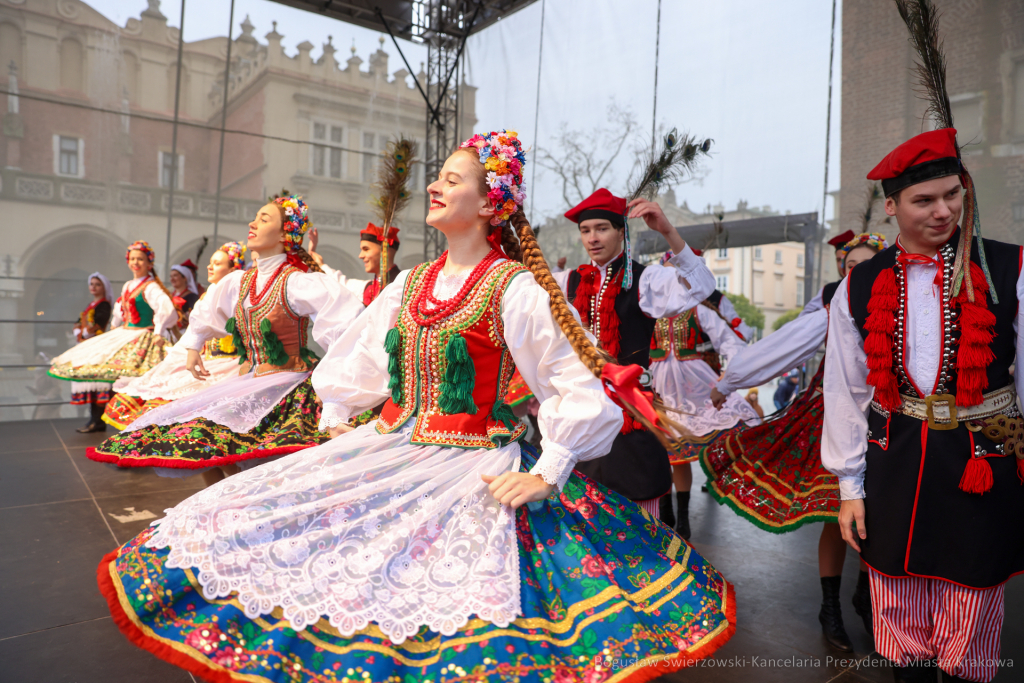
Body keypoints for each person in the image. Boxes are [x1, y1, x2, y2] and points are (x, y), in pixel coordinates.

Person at [96, 131, 736, 682]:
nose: (435, 187)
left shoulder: (514, 289)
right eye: (436, 177)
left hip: (469, 465)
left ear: (489, 203)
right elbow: (357, 364)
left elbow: (575, 386)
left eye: (450, 179)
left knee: (437, 617)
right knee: (247, 528)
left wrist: (550, 469)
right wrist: (339, 422)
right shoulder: (412, 282)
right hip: (392, 445)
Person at [824, 126, 1023, 683]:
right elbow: (846, 391)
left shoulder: (1010, 267)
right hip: (896, 460)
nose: (944, 211)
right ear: (891, 206)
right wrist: (849, 488)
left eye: (953, 195)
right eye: (924, 200)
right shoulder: (858, 285)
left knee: (973, 600)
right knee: (896, 603)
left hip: (980, 458)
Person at [86, 195, 362, 479]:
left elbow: (346, 324)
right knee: (207, 441)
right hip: (252, 379)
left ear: (284, 234)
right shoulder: (239, 282)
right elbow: (207, 311)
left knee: (266, 460)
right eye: (255, 217)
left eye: (264, 219)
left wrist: (337, 389)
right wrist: (194, 344)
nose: (252, 223)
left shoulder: (298, 282)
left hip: (291, 381)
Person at [703, 231, 887, 653]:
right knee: (833, 510)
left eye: (867, 264)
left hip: (889, 418)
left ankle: (867, 598)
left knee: (883, 515)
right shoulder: (834, 301)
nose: (857, 272)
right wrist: (731, 381)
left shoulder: (898, 297)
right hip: (834, 415)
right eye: (850, 265)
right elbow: (782, 348)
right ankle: (831, 608)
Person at [552, 188, 716, 515]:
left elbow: (702, 284)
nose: (592, 238)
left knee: (640, 511)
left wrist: (667, 231)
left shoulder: (645, 279)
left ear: (621, 232)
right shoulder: (567, 282)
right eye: (586, 230)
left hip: (632, 416)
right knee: (581, 517)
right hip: (581, 414)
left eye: (602, 228)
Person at [650, 251, 758, 540]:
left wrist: (727, 377)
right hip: (658, 387)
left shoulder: (700, 310)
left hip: (694, 386)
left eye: (679, 275)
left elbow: (730, 342)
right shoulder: (649, 312)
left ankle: (682, 517)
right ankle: (665, 509)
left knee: (682, 451)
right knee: (662, 450)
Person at [101, 242, 248, 437]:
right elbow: (193, 333)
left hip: (228, 364)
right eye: (210, 262)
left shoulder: (238, 295)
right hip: (205, 360)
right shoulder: (207, 295)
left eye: (217, 263)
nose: (209, 266)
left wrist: (159, 331)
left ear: (233, 269)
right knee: (157, 399)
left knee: (204, 425)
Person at [49, 242, 177, 433]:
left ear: (149, 263)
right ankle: (127, 425)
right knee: (121, 380)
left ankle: (144, 425)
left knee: (141, 382)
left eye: (140, 259)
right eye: (133, 259)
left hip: (144, 337)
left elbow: (166, 309)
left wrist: (158, 332)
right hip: (127, 335)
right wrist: (115, 330)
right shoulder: (128, 285)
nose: (136, 262)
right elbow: (119, 311)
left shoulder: (151, 287)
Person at [308, 223, 403, 307]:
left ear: (385, 251)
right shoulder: (368, 288)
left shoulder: (403, 285)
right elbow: (339, 283)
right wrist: (318, 263)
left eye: (366, 249)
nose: (360, 256)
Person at [67, 272, 114, 431]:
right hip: (88, 348)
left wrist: (85, 332)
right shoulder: (91, 305)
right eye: (92, 284)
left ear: (104, 287)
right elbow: (79, 323)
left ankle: (98, 422)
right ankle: (94, 421)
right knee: (91, 384)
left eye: (97, 284)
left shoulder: (104, 305)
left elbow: (97, 325)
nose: (93, 287)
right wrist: (78, 331)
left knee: (97, 384)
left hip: (97, 347)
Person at [801, 229, 856, 318]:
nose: (842, 265)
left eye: (847, 260)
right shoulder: (828, 290)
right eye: (839, 260)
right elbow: (804, 320)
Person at [169, 262, 200, 332]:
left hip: (184, 332)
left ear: (185, 278)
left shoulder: (192, 297)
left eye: (175, 275)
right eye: (171, 276)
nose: (172, 279)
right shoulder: (169, 295)